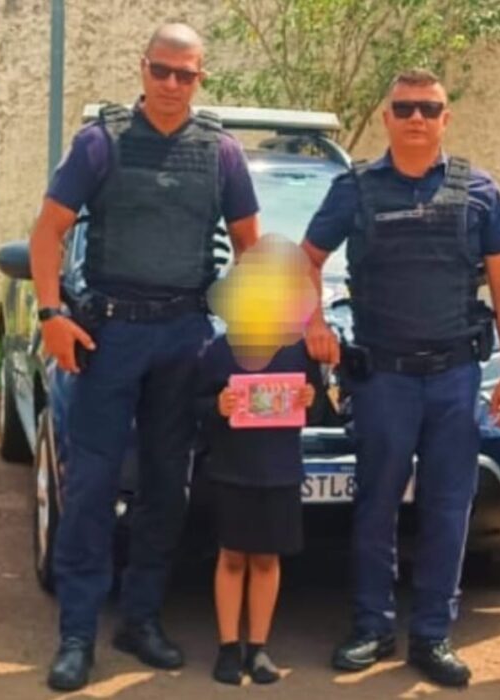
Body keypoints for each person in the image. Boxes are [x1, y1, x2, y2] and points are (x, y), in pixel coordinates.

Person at [28, 22, 261, 692]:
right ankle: (77, 633)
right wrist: (51, 315)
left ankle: (140, 618)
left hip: (184, 336)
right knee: (92, 487)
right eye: (161, 70)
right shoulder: (99, 142)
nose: (171, 84)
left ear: (200, 79)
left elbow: (251, 247)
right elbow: (48, 231)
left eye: (185, 74)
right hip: (109, 338)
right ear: (143, 68)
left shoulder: (221, 153)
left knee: (166, 487)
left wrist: (250, 337)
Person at [301, 68, 500, 688]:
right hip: (384, 377)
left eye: (429, 109)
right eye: (405, 108)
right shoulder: (355, 189)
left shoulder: (480, 191)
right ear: (388, 118)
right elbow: (305, 261)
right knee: (375, 505)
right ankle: (371, 627)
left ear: (445, 118)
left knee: (448, 508)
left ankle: (432, 635)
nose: (417, 119)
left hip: (455, 376)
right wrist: (313, 323)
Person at [198, 235, 317, 686]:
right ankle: (228, 647)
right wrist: (217, 406)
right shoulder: (219, 351)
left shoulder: (297, 350)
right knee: (232, 557)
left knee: (267, 560)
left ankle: (259, 647)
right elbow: (194, 405)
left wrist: (309, 398)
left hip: (280, 472)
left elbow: (318, 406)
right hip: (233, 471)